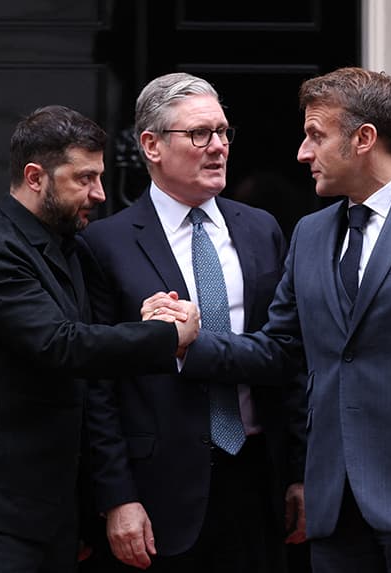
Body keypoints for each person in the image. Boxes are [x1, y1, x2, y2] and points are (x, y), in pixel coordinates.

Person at [147, 67, 391, 573]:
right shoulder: (309, 234)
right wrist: (189, 343)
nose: (302, 153)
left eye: (316, 135)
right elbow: (280, 349)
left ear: (364, 139)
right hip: (334, 503)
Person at [0, 105, 199, 573]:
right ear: (35, 177)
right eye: (84, 179)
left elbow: (87, 343)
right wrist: (164, 336)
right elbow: (62, 345)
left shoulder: (67, 246)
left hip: (47, 514)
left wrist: (149, 316)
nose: (99, 193)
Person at [75, 73, 307, 573]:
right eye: (199, 134)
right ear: (152, 145)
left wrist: (299, 472)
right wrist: (116, 497)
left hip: (257, 479)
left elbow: (291, 356)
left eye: (223, 132)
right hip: (157, 492)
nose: (218, 147)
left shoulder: (261, 229)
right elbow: (97, 385)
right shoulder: (105, 245)